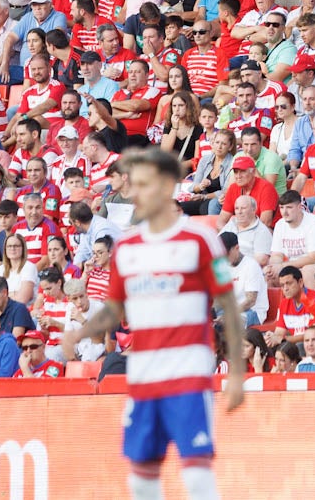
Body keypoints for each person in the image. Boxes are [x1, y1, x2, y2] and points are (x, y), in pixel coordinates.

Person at [65, 149, 244, 500]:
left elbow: (230, 308)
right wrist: (81, 331)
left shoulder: (202, 240)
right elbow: (114, 310)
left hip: (188, 373)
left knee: (196, 475)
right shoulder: (126, 248)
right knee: (142, 478)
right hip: (144, 374)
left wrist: (236, 370)